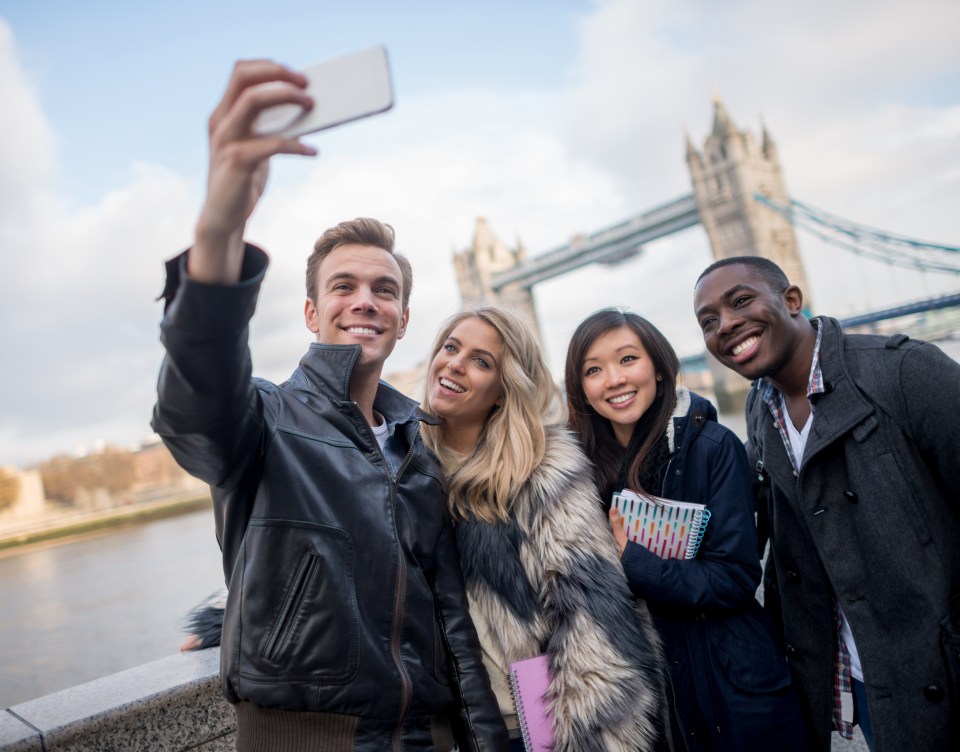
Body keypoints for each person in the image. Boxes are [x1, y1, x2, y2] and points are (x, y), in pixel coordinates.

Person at [151, 60, 507, 751]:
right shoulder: (262, 425)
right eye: (344, 287)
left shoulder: (419, 450)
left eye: (384, 289)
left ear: (404, 320)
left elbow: (454, 630)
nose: (366, 300)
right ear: (314, 313)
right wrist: (220, 226)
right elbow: (195, 391)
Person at [693, 256, 960, 752]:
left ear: (791, 300)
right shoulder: (757, 408)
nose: (725, 324)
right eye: (708, 322)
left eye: (741, 301)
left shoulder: (905, 372)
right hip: (861, 678)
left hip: (941, 666)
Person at [420, 306, 673, 752]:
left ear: (504, 388)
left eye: (482, 361)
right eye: (451, 347)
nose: (455, 363)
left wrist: (588, 740)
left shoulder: (542, 469)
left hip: (529, 728)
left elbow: (589, 621)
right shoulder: (404, 465)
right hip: (439, 728)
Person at [564, 308, 809, 752]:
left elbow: (736, 577)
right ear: (581, 388)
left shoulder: (714, 449)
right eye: (593, 370)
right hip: (643, 694)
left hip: (730, 683)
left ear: (658, 368)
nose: (614, 379)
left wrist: (632, 561)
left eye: (627, 359)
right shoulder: (572, 473)